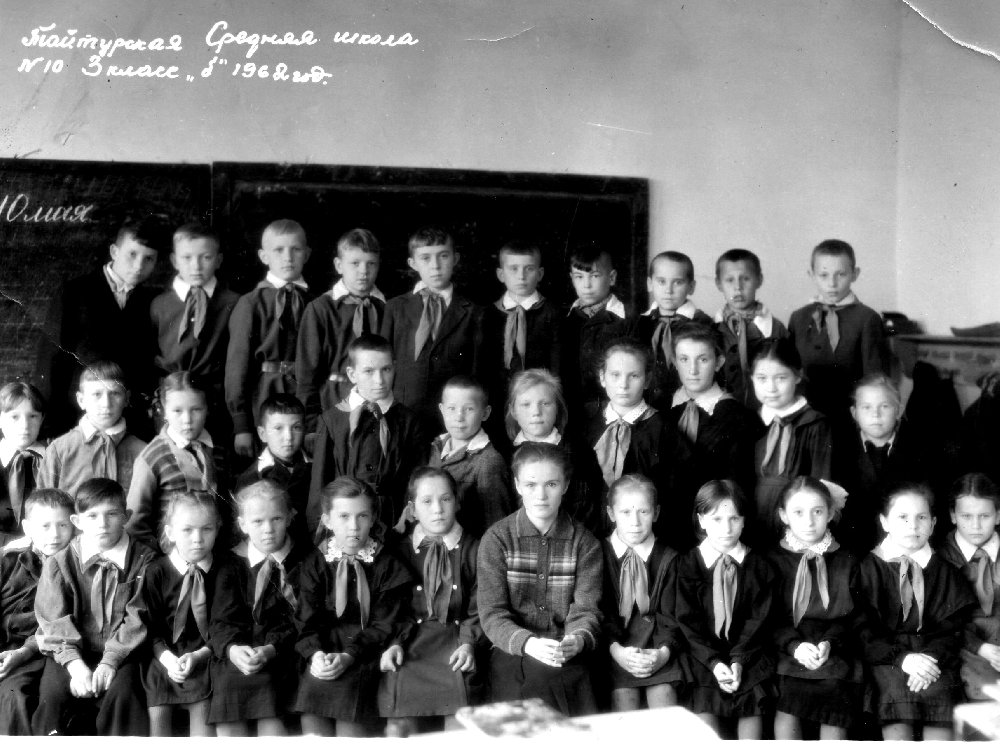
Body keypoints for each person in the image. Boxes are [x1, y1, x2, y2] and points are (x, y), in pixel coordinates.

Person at [477, 442, 603, 717]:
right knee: (525, 692)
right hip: (511, 649)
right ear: (517, 485)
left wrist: (577, 639)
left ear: (565, 485)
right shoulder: (497, 539)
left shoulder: (585, 543)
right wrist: (528, 643)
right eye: (531, 484)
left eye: (551, 484)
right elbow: (492, 613)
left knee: (566, 689)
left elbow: (586, 609)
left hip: (564, 649)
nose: (541, 495)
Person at [32, 478, 157, 736]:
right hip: (69, 652)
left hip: (124, 652)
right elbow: (53, 620)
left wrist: (110, 662)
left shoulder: (145, 560)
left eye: (112, 514)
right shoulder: (59, 562)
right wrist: (75, 665)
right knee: (52, 698)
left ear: (126, 516)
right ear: (77, 521)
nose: (102, 524)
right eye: (92, 516)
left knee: (124, 695)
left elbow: (139, 617)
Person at [857, 482, 977, 741]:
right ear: (884, 522)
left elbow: (954, 628)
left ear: (933, 524)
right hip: (888, 660)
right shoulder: (868, 568)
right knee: (895, 695)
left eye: (921, 518)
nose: (912, 526)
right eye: (902, 517)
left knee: (940, 693)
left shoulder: (944, 571)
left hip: (934, 660)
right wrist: (903, 659)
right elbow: (863, 628)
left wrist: (930, 658)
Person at [293, 477, 412, 737]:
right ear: (327, 520)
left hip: (366, 653)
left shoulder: (387, 565)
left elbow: (385, 624)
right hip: (324, 652)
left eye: (362, 516)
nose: (354, 526)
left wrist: (349, 655)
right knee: (312, 713)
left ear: (373, 518)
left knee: (351, 720)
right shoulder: (315, 563)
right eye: (344, 517)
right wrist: (316, 655)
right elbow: (306, 619)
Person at [378, 467, 484, 735]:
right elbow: (391, 609)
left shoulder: (475, 549)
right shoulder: (398, 552)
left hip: (456, 645)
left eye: (445, 499)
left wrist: (469, 643)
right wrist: (393, 643)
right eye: (427, 501)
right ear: (412, 509)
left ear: (457, 502)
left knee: (460, 726)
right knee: (400, 727)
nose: (437, 509)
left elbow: (480, 605)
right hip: (409, 644)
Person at [673, 479, 776, 739]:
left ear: (744, 521)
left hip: (748, 654)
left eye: (734, 519)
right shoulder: (687, 565)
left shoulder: (760, 567)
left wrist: (739, 661)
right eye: (717, 519)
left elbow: (759, 620)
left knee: (751, 705)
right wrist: (714, 662)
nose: (726, 528)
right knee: (705, 714)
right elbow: (687, 621)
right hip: (703, 657)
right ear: (701, 520)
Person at [50, 216, 167, 439]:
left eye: (149, 259)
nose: (139, 266)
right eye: (132, 254)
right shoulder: (75, 292)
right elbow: (54, 359)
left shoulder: (153, 301)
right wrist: (53, 422)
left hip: (131, 421)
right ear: (114, 251)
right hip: (78, 416)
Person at [209, 480, 309, 736]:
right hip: (239, 655)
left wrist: (271, 649)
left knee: (271, 719)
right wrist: (232, 649)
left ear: (290, 517)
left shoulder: (305, 561)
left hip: (284, 654)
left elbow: (304, 619)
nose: (268, 529)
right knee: (229, 703)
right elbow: (222, 619)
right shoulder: (231, 563)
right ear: (243, 525)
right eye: (257, 522)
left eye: (276, 519)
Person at [769, 477, 864, 740]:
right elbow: (768, 618)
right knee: (787, 695)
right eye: (798, 513)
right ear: (784, 516)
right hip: (787, 646)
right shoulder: (772, 561)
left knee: (837, 690)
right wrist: (794, 646)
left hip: (835, 645)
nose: (809, 522)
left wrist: (830, 642)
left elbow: (854, 617)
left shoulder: (847, 560)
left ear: (830, 513)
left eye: (818, 512)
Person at [307, 334, 427, 534]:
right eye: (369, 371)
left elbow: (417, 485)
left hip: (395, 525)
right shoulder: (331, 420)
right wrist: (320, 536)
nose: (379, 380)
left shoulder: (409, 421)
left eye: (386, 369)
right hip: (345, 528)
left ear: (394, 368)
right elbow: (319, 486)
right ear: (352, 374)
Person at [380, 227, 485, 433]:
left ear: (455, 259)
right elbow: (383, 363)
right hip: (401, 414)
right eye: (425, 258)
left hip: (452, 419)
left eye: (443, 256)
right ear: (412, 263)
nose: (435, 266)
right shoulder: (395, 308)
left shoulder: (473, 312)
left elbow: (476, 372)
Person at [226, 219, 314, 459]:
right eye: (278, 250)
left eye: (295, 249)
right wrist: (241, 424)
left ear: (306, 254)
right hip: (264, 394)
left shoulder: (316, 303)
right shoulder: (251, 303)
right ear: (264, 256)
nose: (288, 257)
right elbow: (237, 367)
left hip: (304, 396)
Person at [585, 340, 689, 543]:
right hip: (596, 535)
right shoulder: (589, 426)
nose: (623, 385)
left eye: (633, 376)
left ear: (647, 380)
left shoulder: (663, 429)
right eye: (615, 375)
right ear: (602, 377)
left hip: (649, 535)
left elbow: (676, 493)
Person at [149, 222, 240, 443]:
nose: (196, 266)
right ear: (174, 261)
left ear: (218, 260)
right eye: (187, 258)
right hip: (171, 400)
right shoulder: (159, 304)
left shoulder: (233, 303)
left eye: (206, 257)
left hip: (215, 400)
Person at [140, 491, 222, 736]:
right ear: (171, 532)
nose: (198, 539)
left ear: (217, 529)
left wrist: (198, 656)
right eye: (187, 530)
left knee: (203, 712)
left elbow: (226, 625)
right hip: (163, 657)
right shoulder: (156, 572)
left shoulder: (226, 569)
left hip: (207, 655)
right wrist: (168, 660)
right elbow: (150, 627)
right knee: (158, 713)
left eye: (207, 529)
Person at [788, 239, 890, 427]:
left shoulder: (867, 318)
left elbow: (875, 379)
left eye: (841, 274)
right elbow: (789, 371)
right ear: (812, 275)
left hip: (847, 419)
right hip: (803, 419)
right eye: (823, 275)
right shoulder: (799, 318)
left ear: (855, 274)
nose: (832, 284)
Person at [600, 474, 681, 711]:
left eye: (643, 512)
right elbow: (600, 612)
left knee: (664, 695)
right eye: (625, 512)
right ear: (611, 513)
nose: (634, 522)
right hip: (614, 648)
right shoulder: (599, 554)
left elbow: (672, 616)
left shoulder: (669, 559)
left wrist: (662, 653)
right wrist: (617, 650)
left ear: (656, 513)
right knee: (623, 698)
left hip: (659, 647)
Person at [296, 228, 386, 439]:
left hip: (377, 403)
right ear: (339, 265)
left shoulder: (386, 308)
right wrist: (311, 425)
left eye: (371, 263)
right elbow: (306, 374)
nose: (363, 271)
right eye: (355, 263)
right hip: (332, 402)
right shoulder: (320, 309)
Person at [0, 489, 75, 735]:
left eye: (62, 525)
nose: (54, 534)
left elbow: (61, 622)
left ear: (74, 525)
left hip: (48, 651)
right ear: (27, 528)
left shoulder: (75, 566)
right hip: (7, 648)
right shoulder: (9, 561)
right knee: (12, 694)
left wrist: (24, 651)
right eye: (45, 526)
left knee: (28, 700)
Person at [126, 372, 227, 552]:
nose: (187, 420)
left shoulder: (218, 449)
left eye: (196, 409)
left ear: (207, 408)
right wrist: (162, 557)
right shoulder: (152, 457)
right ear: (164, 411)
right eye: (177, 411)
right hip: (171, 557)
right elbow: (135, 523)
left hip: (216, 554)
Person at [500, 368, 603, 535]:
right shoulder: (505, 456)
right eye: (526, 405)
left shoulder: (578, 452)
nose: (536, 412)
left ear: (557, 408)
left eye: (545, 404)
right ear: (513, 411)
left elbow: (590, 506)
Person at [750, 339, 832, 547]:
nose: (771, 388)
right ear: (751, 378)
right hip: (754, 519)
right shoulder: (750, 421)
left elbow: (822, 483)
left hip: (798, 524)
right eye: (762, 378)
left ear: (797, 376)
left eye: (781, 378)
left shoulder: (815, 424)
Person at [834, 374, 929, 554]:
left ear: (898, 411)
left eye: (884, 406)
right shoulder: (840, 451)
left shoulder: (918, 451)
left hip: (905, 548)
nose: (875, 414)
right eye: (866, 407)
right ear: (854, 413)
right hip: (852, 546)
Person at [668, 323, 762, 501]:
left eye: (703, 360)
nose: (693, 370)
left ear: (719, 362)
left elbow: (740, 485)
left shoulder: (738, 417)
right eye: (684, 359)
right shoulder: (663, 409)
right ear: (675, 362)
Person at [39, 361, 147, 497]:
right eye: (97, 394)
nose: (106, 404)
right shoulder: (59, 450)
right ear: (81, 400)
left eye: (114, 393)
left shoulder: (143, 451)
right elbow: (43, 503)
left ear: (126, 399)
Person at [482, 239, 561, 422]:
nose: (521, 276)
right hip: (498, 403)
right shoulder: (487, 315)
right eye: (514, 269)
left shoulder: (553, 315)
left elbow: (557, 367)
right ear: (501, 274)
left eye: (529, 269)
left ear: (540, 274)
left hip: (539, 405)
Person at [938, 473, 1000, 701]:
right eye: (966, 516)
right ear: (953, 516)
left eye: (985, 516)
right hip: (964, 644)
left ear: (998, 515)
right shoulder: (939, 559)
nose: (976, 526)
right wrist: (979, 647)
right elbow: (940, 620)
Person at [428, 375, 513, 538]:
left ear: (485, 413)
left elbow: (496, 526)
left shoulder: (489, 462)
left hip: (467, 549)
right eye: (451, 408)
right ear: (441, 409)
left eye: (469, 409)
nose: (459, 417)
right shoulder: (434, 448)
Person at [559, 243, 631, 424]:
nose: (587, 285)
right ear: (571, 278)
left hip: (613, 410)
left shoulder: (627, 320)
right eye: (579, 277)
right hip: (570, 409)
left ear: (612, 278)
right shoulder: (563, 320)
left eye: (595, 276)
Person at [633, 251, 714, 411]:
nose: (668, 290)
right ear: (650, 284)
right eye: (661, 281)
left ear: (691, 287)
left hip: (690, 407)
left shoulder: (704, 324)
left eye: (677, 282)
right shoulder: (637, 324)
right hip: (645, 407)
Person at [713, 248, 788, 408]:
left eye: (745, 279)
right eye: (729, 280)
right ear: (718, 284)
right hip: (722, 412)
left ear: (759, 280)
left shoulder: (776, 329)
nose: (738, 287)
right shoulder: (710, 328)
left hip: (765, 410)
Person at [234, 393, 311, 545]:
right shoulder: (251, 477)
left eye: (296, 427)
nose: (288, 437)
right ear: (262, 434)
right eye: (278, 428)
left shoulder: (316, 467)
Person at [0, 382, 47, 543]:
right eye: (14, 417)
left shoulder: (54, 458)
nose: (24, 425)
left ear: (42, 419)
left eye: (33, 416)